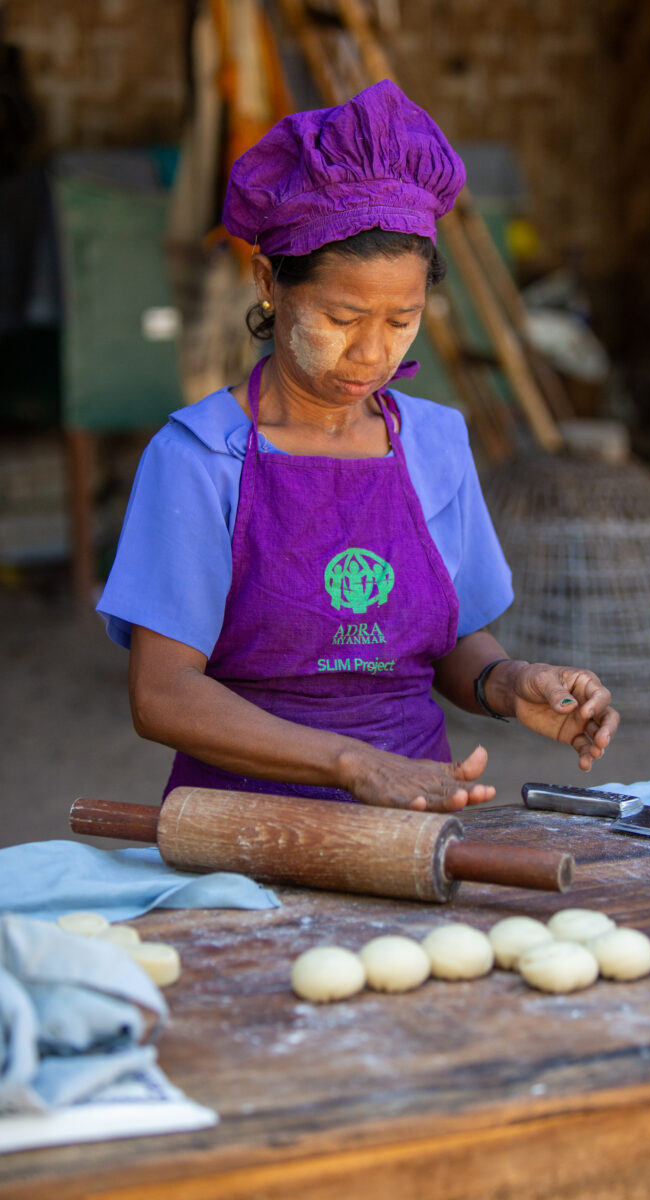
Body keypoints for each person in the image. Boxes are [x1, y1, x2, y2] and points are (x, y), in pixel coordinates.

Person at [97, 80, 619, 814]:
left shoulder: (435, 441)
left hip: (417, 817)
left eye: (402, 321)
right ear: (270, 286)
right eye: (342, 317)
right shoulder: (199, 458)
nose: (373, 353)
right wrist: (351, 764)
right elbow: (162, 695)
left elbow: (452, 643)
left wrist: (509, 683)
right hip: (243, 828)